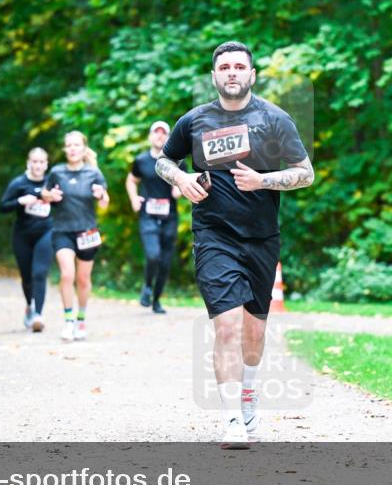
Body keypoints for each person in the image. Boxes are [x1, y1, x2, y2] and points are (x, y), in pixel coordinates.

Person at [155, 41, 314, 448]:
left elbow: (306, 173)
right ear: (214, 76)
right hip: (214, 236)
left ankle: (248, 391)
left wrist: (264, 180)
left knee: (253, 334)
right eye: (224, 66)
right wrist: (183, 179)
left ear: (251, 75)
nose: (231, 72)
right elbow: (164, 160)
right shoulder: (194, 121)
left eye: (239, 66)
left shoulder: (275, 119)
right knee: (225, 326)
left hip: (261, 237)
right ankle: (231, 422)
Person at [42, 131, 110, 342]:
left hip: (87, 232)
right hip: (62, 231)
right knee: (67, 275)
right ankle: (68, 321)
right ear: (65, 149)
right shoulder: (56, 172)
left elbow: (104, 201)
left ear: (83, 148)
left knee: (82, 279)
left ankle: (81, 319)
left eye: (76, 145)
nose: (72, 148)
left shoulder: (94, 173)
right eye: (68, 145)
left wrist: (101, 195)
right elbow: (44, 194)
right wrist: (50, 196)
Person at [125, 120, 184, 314]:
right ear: (150, 136)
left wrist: (180, 188)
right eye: (156, 132)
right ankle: (147, 287)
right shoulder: (141, 161)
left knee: (165, 262)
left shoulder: (177, 162)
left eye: (164, 133)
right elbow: (131, 180)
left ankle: (156, 300)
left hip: (170, 217)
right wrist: (134, 198)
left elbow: (186, 182)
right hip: (148, 216)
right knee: (153, 255)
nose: (160, 136)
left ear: (168, 138)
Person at [0, 147, 55, 332]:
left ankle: (38, 314)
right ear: (28, 163)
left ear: (46, 164)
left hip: (46, 232)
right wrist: (20, 202)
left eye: (41, 162)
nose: (38, 165)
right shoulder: (19, 183)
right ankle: (29, 306)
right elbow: (3, 207)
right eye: (35, 161)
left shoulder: (52, 182)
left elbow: (64, 201)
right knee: (27, 277)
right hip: (22, 235)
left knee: (39, 273)